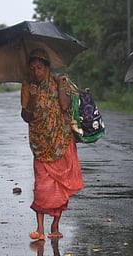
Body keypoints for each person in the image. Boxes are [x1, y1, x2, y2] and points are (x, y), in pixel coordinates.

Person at [20, 48, 84, 241]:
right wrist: (32, 98)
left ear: (47, 68)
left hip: (60, 141)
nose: (36, 72)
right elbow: (26, 116)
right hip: (40, 144)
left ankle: (55, 224)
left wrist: (60, 85)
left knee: (59, 186)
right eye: (32, 68)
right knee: (41, 186)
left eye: (39, 67)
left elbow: (65, 106)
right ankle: (39, 228)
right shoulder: (27, 86)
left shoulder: (57, 83)